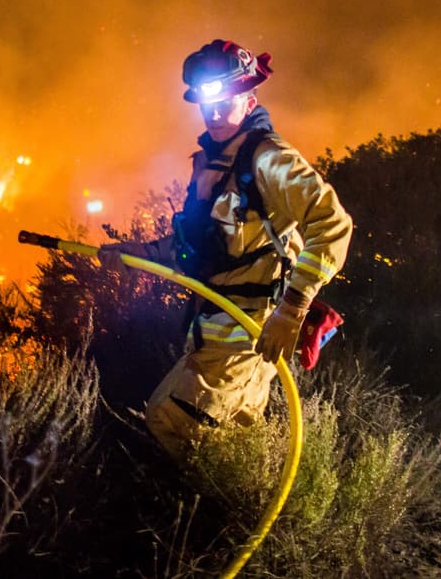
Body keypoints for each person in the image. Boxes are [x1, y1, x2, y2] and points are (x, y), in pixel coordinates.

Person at [100, 39, 353, 460]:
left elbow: (333, 226)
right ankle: (232, 515)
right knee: (211, 439)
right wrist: (137, 253)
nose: (214, 113)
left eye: (225, 101)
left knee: (173, 423)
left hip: (248, 334)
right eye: (205, 102)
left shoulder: (269, 159)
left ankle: (224, 518)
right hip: (211, 333)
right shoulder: (210, 162)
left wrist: (292, 310)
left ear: (248, 98)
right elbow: (197, 244)